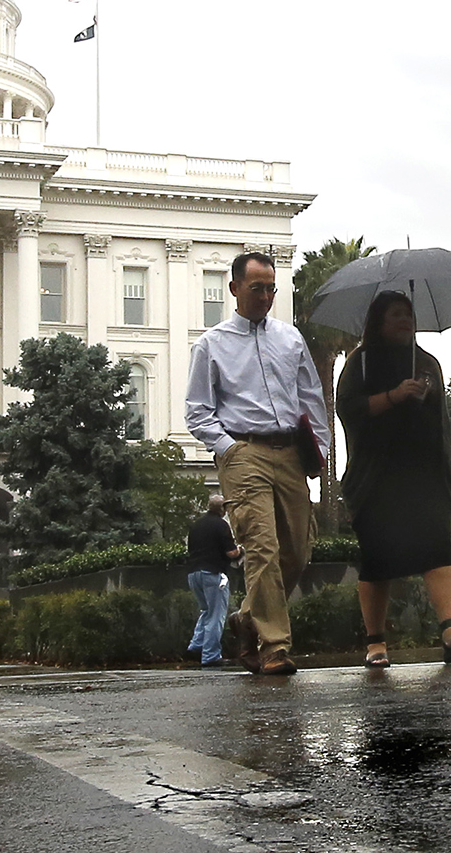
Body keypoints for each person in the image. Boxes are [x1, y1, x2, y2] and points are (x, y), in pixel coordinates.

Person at [185, 251, 328, 676]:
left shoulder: (290, 338)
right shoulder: (211, 345)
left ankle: (247, 618)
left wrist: (316, 448)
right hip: (243, 452)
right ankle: (274, 647)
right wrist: (228, 448)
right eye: (256, 288)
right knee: (261, 548)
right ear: (234, 289)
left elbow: (310, 397)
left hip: (290, 453)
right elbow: (197, 411)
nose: (265, 296)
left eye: (271, 288)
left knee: (297, 550)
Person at [336, 291, 451, 668]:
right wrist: (394, 395)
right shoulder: (361, 363)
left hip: (424, 474)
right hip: (377, 478)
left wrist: (450, 464)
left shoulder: (427, 364)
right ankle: (375, 644)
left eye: (409, 314)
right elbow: (349, 409)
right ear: (379, 321)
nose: (405, 321)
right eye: (397, 314)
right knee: (376, 559)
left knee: (437, 548)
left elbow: (441, 421)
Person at [184, 494, 241, 668]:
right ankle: (210, 656)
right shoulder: (221, 525)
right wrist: (241, 549)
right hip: (213, 573)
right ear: (222, 509)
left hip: (193, 574)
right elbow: (231, 553)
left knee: (206, 610)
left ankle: (196, 645)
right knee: (217, 614)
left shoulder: (196, 525)